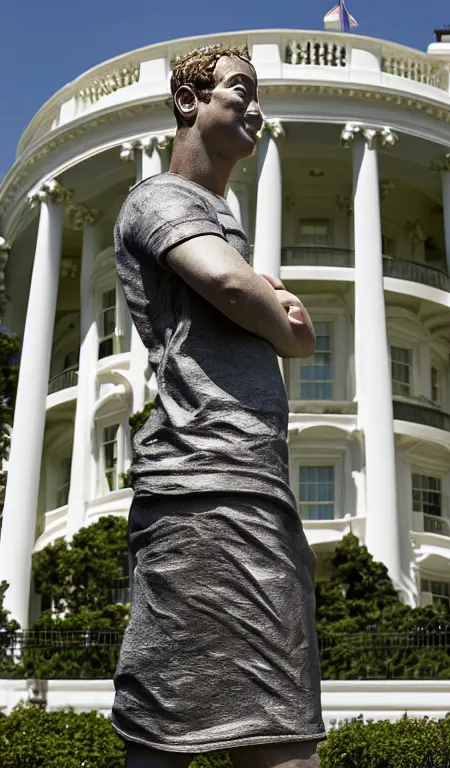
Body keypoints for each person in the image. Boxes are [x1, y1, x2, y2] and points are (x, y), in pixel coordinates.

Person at [113, 43, 326, 768]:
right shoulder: (162, 199)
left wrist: (261, 293)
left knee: (268, 729)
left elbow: (242, 287)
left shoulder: (218, 218)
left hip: (243, 480)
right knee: (207, 731)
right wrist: (278, 313)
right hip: (206, 481)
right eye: (241, 91)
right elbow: (234, 290)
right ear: (188, 102)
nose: (257, 110)